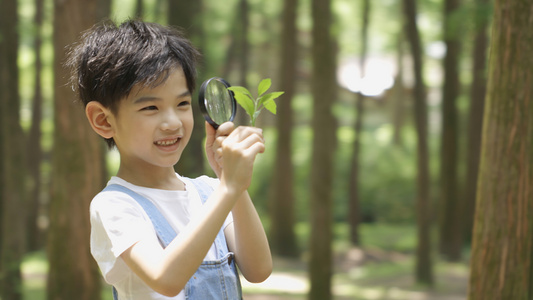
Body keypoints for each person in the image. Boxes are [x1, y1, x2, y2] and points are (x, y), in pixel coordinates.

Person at [67, 19, 272, 299]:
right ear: (104, 120)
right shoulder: (114, 205)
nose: (173, 122)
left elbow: (258, 269)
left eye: (182, 104)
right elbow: (165, 278)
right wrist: (228, 189)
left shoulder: (210, 192)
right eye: (151, 107)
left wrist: (229, 181)